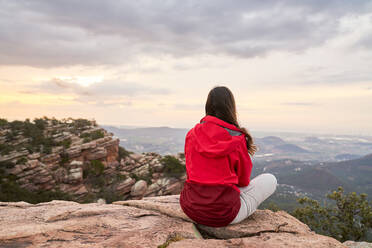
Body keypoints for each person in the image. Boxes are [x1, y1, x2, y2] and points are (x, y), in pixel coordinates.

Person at [180, 86, 277, 227]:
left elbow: (191, 173)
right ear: (231, 107)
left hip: (191, 209)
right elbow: (243, 181)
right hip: (224, 215)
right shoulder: (237, 138)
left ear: (207, 106)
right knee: (270, 179)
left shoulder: (192, 134)